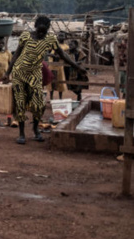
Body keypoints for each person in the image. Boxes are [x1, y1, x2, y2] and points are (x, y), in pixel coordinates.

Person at [6, 16, 86, 145]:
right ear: (36, 27)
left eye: (44, 32)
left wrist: (77, 67)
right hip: (19, 73)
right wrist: (7, 72)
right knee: (20, 102)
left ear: (48, 29)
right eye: (40, 31)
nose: (42, 34)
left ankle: (35, 128)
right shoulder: (26, 36)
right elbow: (16, 54)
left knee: (39, 105)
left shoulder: (50, 39)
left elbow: (62, 54)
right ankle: (21, 134)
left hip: (35, 74)